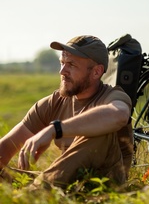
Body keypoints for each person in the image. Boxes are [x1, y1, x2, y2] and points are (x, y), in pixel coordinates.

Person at [0, 35, 133, 189]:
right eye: (62, 63)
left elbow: (119, 115)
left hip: (102, 184)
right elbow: (5, 148)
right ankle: (36, 191)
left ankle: (34, 193)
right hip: (61, 182)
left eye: (71, 64)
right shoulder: (53, 103)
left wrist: (54, 129)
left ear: (96, 72)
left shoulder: (112, 96)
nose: (62, 71)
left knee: (98, 130)